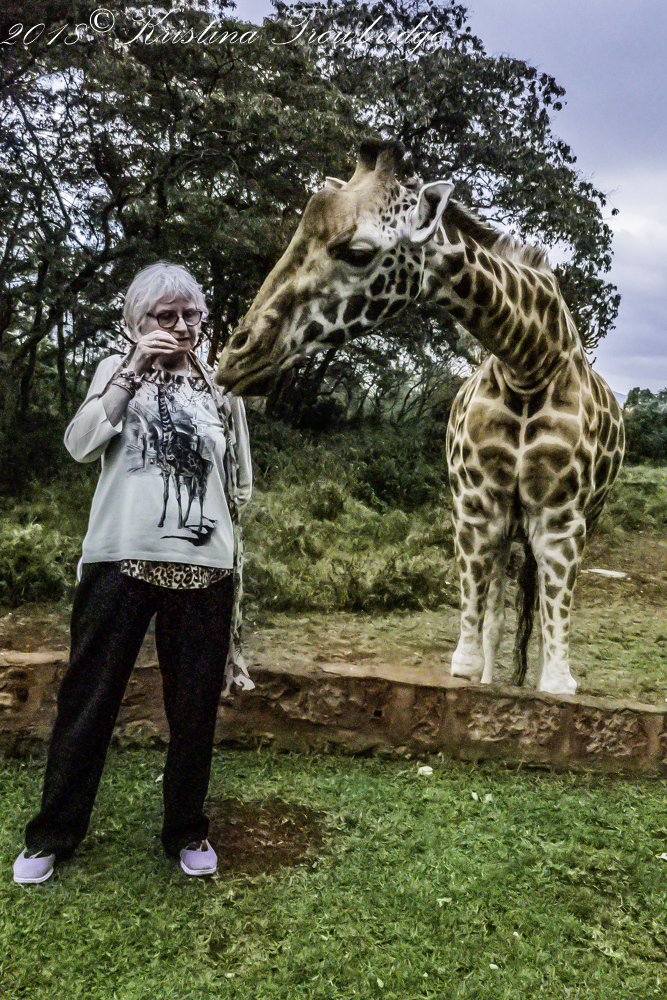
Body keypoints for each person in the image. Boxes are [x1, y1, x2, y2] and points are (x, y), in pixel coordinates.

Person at [13, 262, 252, 884]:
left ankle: (187, 830)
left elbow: (240, 481)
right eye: (164, 316)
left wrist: (220, 541)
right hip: (118, 561)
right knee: (89, 701)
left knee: (194, 708)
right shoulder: (112, 372)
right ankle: (51, 836)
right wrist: (133, 369)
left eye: (191, 315)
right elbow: (80, 445)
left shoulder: (222, 386)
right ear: (135, 322)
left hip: (205, 569)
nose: (181, 326)